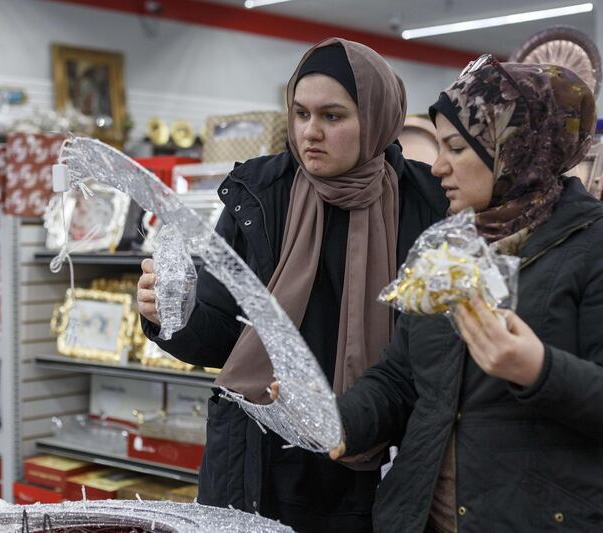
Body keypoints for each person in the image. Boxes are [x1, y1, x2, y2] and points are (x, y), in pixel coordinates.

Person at [329, 56, 603, 532]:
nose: (438, 165)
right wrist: (336, 418)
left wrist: (537, 370)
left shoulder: (602, 243)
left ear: (512, 148)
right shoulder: (450, 243)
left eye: (455, 147)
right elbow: (402, 376)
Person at [137, 38, 448, 532]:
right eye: (300, 114)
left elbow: (431, 358)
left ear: (376, 117)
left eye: (332, 116)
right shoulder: (260, 195)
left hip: (377, 464)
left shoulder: (428, 205)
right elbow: (224, 336)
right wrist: (170, 315)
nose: (310, 133)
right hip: (258, 462)